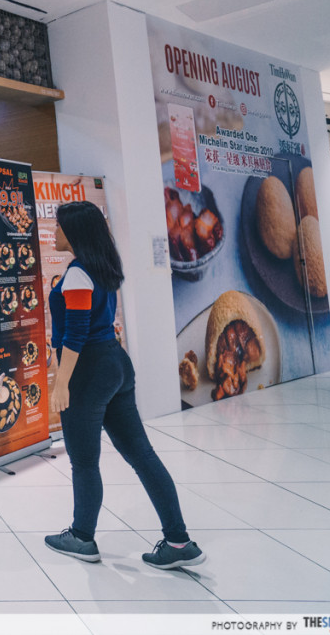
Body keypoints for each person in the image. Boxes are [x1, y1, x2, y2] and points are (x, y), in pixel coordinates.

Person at [44, 201, 206, 570]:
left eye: (59, 226)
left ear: (75, 232)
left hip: (88, 371)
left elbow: (75, 336)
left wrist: (61, 384)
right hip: (115, 364)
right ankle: (179, 541)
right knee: (142, 455)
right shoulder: (102, 267)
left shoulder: (78, 274)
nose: (54, 232)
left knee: (85, 462)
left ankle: (82, 537)